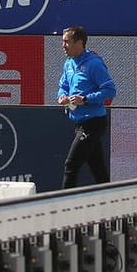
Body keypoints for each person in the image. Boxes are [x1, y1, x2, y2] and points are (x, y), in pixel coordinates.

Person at [56, 25, 117, 188]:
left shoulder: (94, 64)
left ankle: (64, 207)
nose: (63, 46)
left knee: (71, 165)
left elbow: (110, 90)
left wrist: (85, 99)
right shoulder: (68, 63)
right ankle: (111, 203)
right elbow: (63, 86)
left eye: (66, 42)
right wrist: (62, 96)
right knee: (98, 170)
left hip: (93, 123)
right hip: (79, 122)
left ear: (79, 43)